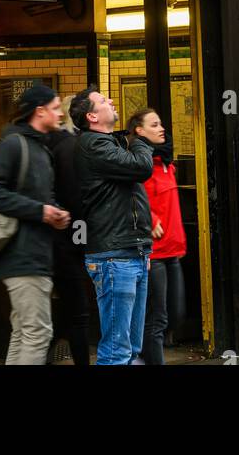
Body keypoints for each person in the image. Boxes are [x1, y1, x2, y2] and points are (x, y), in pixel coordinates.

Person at [0, 83, 70, 365]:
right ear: (39, 111)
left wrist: (54, 212)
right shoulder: (13, 145)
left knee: (23, 332)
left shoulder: (41, 150)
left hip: (35, 254)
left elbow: (38, 197)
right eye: (55, 108)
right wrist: (41, 212)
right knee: (38, 333)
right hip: (23, 256)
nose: (60, 114)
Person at [70, 86, 154, 366]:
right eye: (104, 101)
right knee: (117, 350)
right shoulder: (93, 144)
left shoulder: (111, 143)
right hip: (113, 256)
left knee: (130, 347)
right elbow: (142, 167)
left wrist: (143, 248)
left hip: (130, 252)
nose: (112, 101)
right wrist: (140, 139)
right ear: (92, 116)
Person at [126, 107, 187, 366]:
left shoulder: (167, 165)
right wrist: (149, 219)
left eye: (161, 123)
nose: (161, 128)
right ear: (139, 131)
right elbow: (128, 197)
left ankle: (139, 356)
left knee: (177, 315)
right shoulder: (140, 166)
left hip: (174, 249)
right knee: (157, 319)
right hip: (154, 253)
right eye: (154, 125)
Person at [46, 105, 90, 365]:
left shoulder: (57, 146)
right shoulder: (70, 148)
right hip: (65, 242)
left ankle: (45, 352)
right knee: (79, 311)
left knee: (69, 308)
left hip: (60, 241)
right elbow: (76, 199)